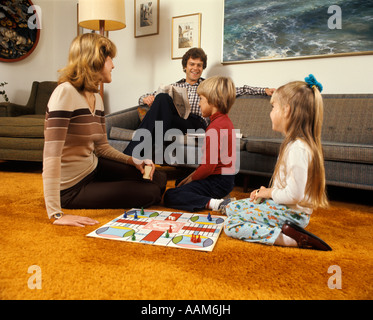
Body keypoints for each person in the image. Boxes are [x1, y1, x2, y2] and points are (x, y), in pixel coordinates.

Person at [43, 33, 167, 227]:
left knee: (158, 178)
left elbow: (102, 148)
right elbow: (51, 155)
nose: (113, 65)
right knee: (150, 192)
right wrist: (56, 214)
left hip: (93, 168)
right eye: (110, 59)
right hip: (71, 188)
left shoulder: (96, 97)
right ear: (95, 60)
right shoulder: (65, 93)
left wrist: (133, 160)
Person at [223, 75, 332, 251]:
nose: (270, 112)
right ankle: (273, 224)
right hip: (282, 206)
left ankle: (292, 239)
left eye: (273, 107)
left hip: (290, 213)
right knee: (232, 208)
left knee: (231, 224)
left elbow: (293, 195)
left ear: (287, 110)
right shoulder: (294, 144)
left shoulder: (299, 148)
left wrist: (267, 193)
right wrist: (265, 193)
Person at [123, 47, 275, 159]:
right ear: (185, 66)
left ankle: (130, 156)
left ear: (202, 68)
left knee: (159, 120)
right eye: (192, 64)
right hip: (176, 122)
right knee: (162, 98)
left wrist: (264, 90)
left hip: (197, 124)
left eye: (199, 65)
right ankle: (136, 157)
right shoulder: (175, 87)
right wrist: (145, 99)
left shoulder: (208, 86)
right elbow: (145, 96)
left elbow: (238, 89)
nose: (195, 68)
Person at [163, 76, 237, 212]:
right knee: (179, 182)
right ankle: (218, 196)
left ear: (213, 101)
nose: (198, 104)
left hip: (217, 181)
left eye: (201, 99)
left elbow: (208, 167)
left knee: (170, 195)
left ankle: (216, 204)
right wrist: (188, 178)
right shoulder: (225, 121)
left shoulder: (214, 128)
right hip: (226, 180)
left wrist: (191, 179)